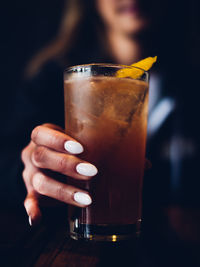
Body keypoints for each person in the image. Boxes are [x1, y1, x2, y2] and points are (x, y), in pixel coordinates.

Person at [2, 0, 199, 225]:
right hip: (78, 241)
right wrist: (26, 172)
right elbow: (6, 156)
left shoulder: (192, 82)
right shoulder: (55, 78)